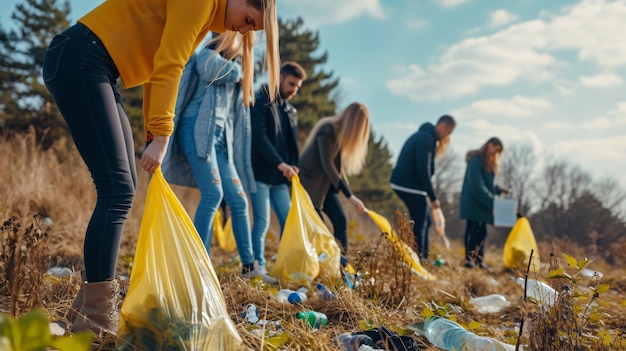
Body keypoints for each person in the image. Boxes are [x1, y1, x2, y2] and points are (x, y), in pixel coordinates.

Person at [42, 0, 280, 336]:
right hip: (82, 58)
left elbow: (160, 67)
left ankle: (86, 311)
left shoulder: (206, 20)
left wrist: (154, 133)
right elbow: (169, 63)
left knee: (121, 189)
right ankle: (96, 316)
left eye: (250, 29)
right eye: (248, 20)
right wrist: (164, 135)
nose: (241, 30)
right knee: (117, 189)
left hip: (97, 68)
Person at [162, 33, 277, 285]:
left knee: (238, 200)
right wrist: (240, 73)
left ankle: (250, 266)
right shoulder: (208, 56)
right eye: (240, 39)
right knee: (213, 194)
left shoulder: (234, 71)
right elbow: (208, 69)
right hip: (196, 133)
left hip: (219, 141)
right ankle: (199, 263)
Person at [249, 61, 306, 273]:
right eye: (291, 84)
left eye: (297, 87)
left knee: (288, 220)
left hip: (282, 178)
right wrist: (279, 163)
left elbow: (292, 144)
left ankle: (284, 265)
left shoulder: (290, 110)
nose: (293, 90)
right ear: (280, 77)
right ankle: (258, 267)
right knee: (262, 222)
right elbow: (259, 137)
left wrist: (293, 165)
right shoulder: (260, 101)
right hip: (261, 173)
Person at [299, 102, 370, 254]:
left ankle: (342, 264)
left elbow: (339, 171)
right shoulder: (327, 131)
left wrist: (351, 195)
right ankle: (322, 264)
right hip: (311, 187)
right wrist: (350, 197)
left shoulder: (339, 137)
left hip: (326, 187)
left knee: (340, 221)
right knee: (320, 229)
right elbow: (327, 164)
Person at [390, 115, 456, 262]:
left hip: (409, 185)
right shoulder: (426, 138)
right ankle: (418, 258)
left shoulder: (426, 137)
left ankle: (422, 256)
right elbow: (423, 169)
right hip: (408, 185)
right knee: (420, 221)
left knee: (425, 220)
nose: (448, 135)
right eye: (448, 131)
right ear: (442, 126)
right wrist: (433, 197)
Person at [460, 137, 508, 270]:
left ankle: (479, 261)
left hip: (482, 204)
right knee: (473, 231)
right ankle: (470, 260)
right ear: (488, 145)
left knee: (482, 233)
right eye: (494, 149)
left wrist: (497, 190)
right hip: (473, 202)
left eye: (498, 151)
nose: (494, 153)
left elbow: (487, 186)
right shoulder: (475, 161)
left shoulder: (488, 163)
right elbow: (477, 186)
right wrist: (493, 203)